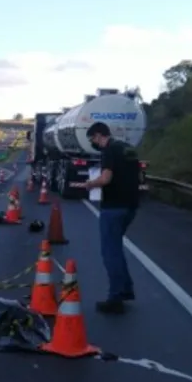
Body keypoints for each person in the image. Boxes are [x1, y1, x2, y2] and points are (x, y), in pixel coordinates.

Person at [84, 122, 141, 314]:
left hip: (113, 207)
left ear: (99, 135)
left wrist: (91, 184)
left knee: (111, 253)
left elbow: (106, 178)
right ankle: (125, 290)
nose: (93, 143)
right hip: (131, 207)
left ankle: (115, 298)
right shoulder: (127, 148)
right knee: (116, 249)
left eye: (92, 139)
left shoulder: (109, 151)